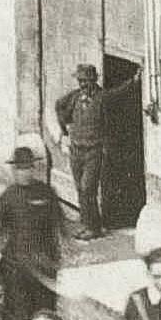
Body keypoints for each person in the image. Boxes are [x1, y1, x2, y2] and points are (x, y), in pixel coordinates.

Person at [0, 145, 66, 320]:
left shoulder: (46, 193)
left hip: (44, 264)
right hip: (16, 267)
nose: (24, 173)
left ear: (33, 168)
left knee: (46, 312)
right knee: (19, 314)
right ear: (14, 170)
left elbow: (59, 225)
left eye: (28, 168)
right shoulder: (8, 197)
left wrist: (57, 260)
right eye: (20, 169)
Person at [50, 62, 106, 240]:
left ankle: (94, 227)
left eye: (86, 81)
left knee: (88, 187)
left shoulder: (102, 97)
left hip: (93, 151)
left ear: (94, 80)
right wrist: (64, 128)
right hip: (76, 151)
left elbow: (118, 94)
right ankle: (87, 225)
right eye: (80, 81)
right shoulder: (75, 97)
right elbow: (59, 104)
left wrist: (134, 80)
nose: (83, 85)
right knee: (80, 190)